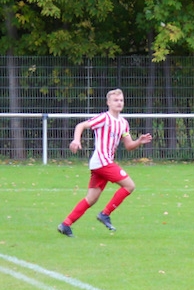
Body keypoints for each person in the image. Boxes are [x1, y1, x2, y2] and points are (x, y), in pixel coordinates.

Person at [58, 88, 152, 236]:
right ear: (108, 102)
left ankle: (65, 224)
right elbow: (81, 125)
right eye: (115, 100)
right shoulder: (104, 118)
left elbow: (129, 146)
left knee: (91, 199)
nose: (119, 103)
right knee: (129, 185)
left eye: (121, 100)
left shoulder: (123, 123)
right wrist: (76, 140)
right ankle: (105, 214)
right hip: (103, 161)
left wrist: (139, 142)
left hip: (101, 163)